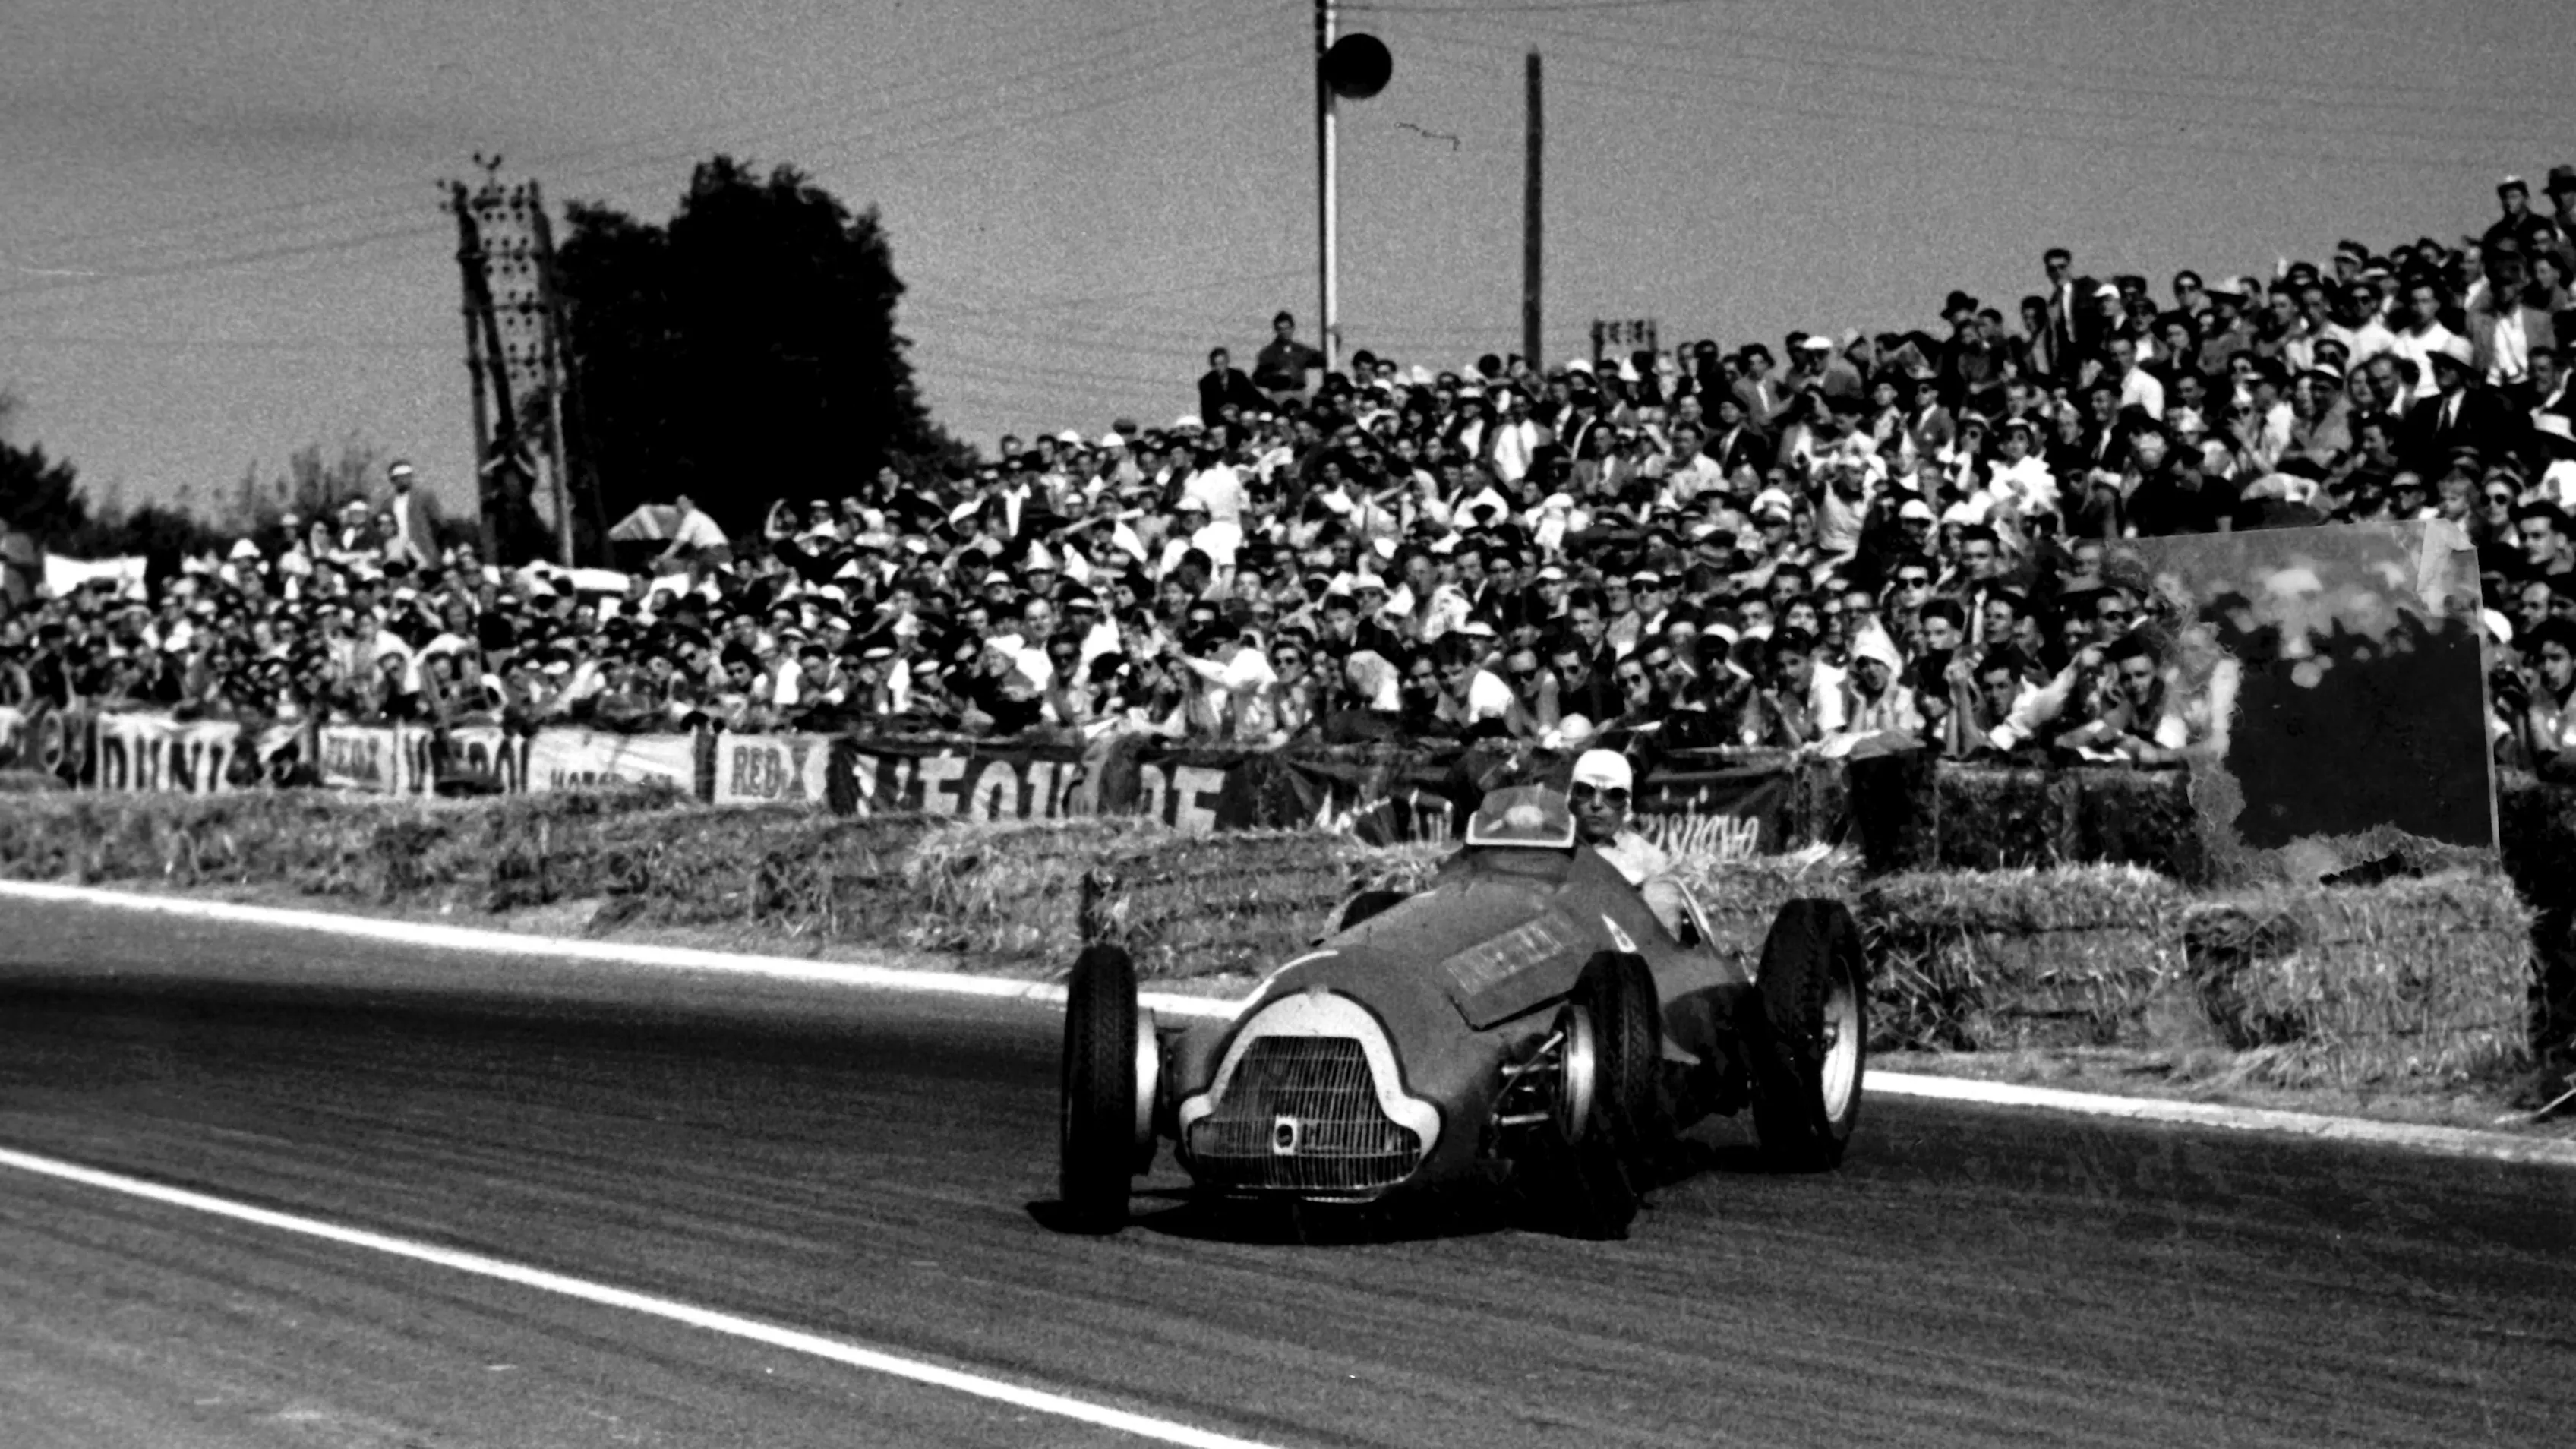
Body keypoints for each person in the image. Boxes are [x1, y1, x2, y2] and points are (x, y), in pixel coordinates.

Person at [1565, 747, 1689, 940]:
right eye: (1585, 791)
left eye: (1613, 795)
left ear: (1627, 806)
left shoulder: (1649, 861)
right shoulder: (1552, 846)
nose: (1597, 803)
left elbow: (1663, 944)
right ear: (1570, 798)